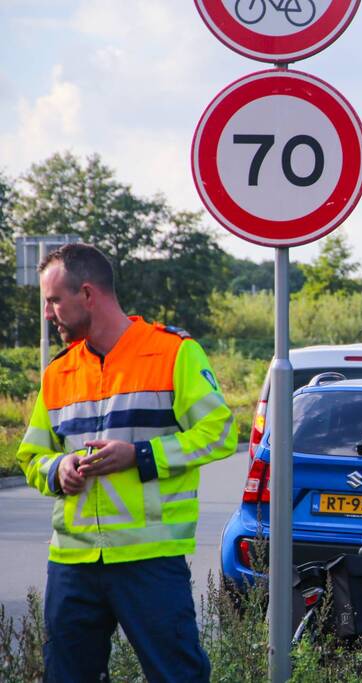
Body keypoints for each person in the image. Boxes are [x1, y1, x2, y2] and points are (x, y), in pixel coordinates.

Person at [17, 244, 238, 683]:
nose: (48, 313)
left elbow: (219, 433)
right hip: (73, 563)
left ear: (87, 294)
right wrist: (57, 469)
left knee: (177, 677)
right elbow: (31, 456)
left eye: (54, 300)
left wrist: (140, 456)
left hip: (149, 560)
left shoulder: (173, 352)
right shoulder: (58, 373)